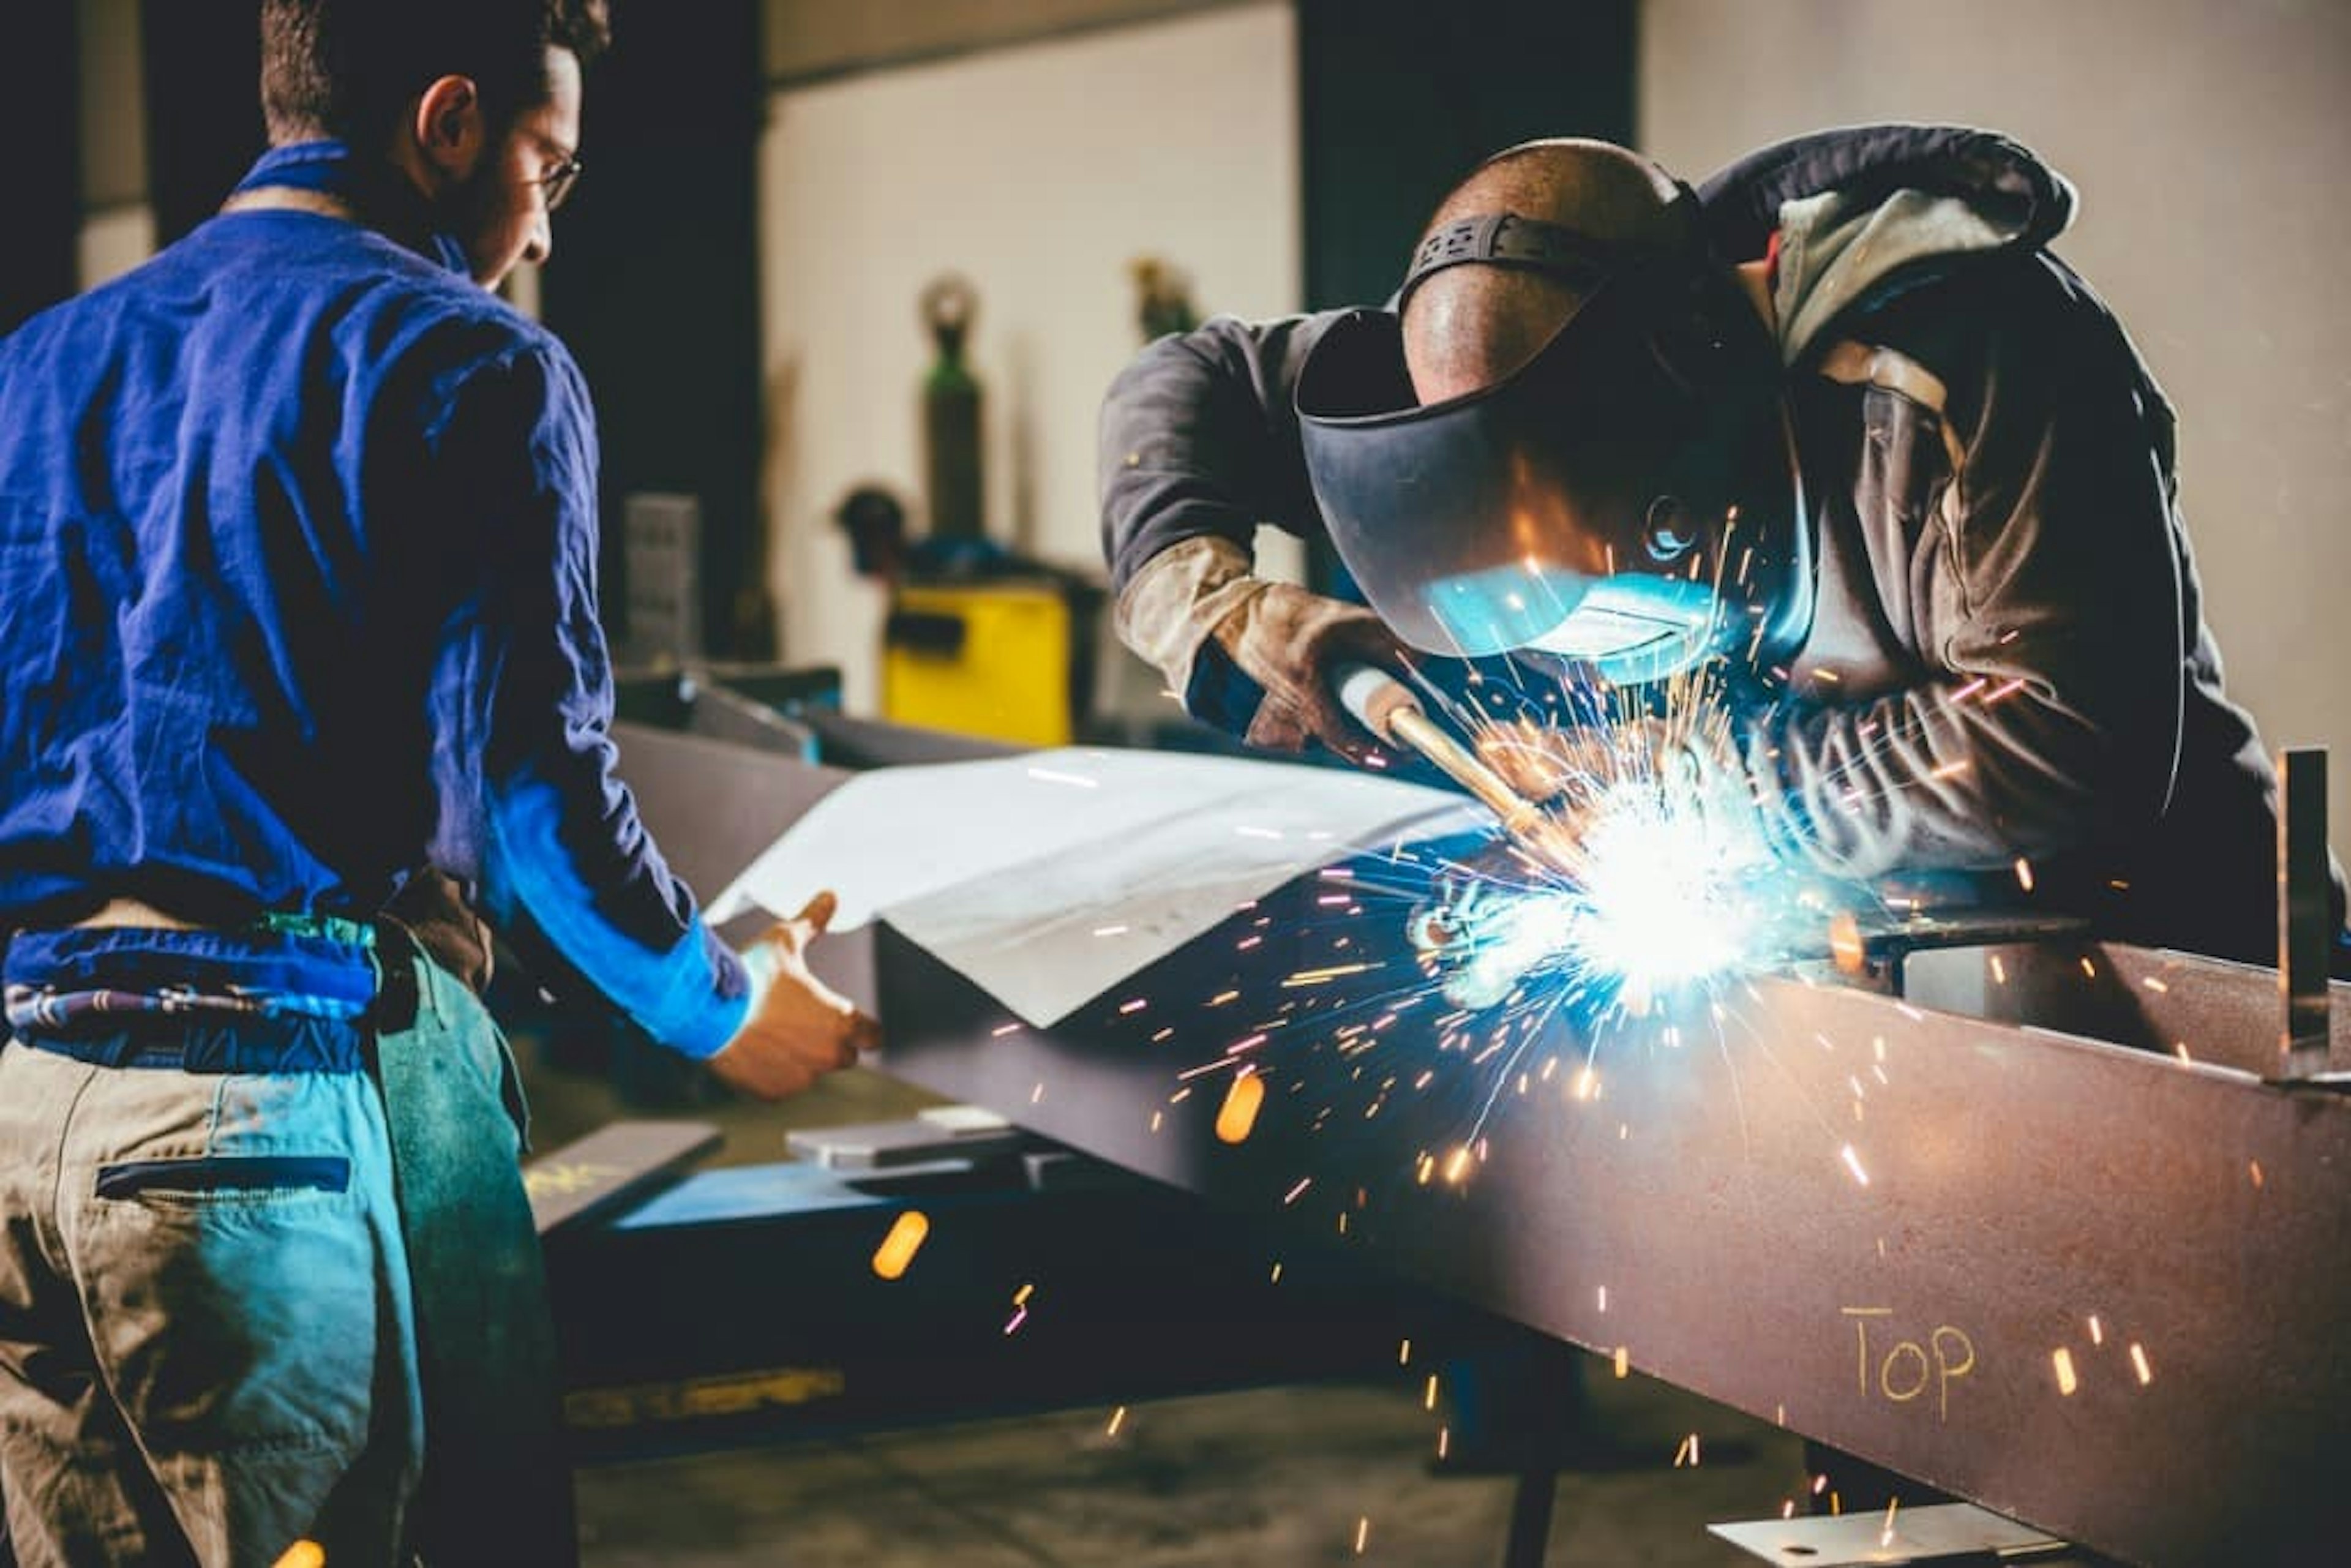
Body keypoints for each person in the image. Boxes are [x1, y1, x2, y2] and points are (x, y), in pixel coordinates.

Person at [0, 3, 876, 1564]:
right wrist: (729, 1008)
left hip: (22, 1119)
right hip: (242, 1139)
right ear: (449, 123)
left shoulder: (39, 366)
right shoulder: (474, 363)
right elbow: (540, 809)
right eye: (547, 166)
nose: (539, 230)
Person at [1101, 124, 2348, 972]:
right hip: (1883, 975)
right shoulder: (1467, 364)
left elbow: (2067, 741)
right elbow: (1188, 383)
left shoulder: (1974, 347)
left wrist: (1716, 790)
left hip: (2169, 967)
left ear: (1695, 390)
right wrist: (1202, 598)